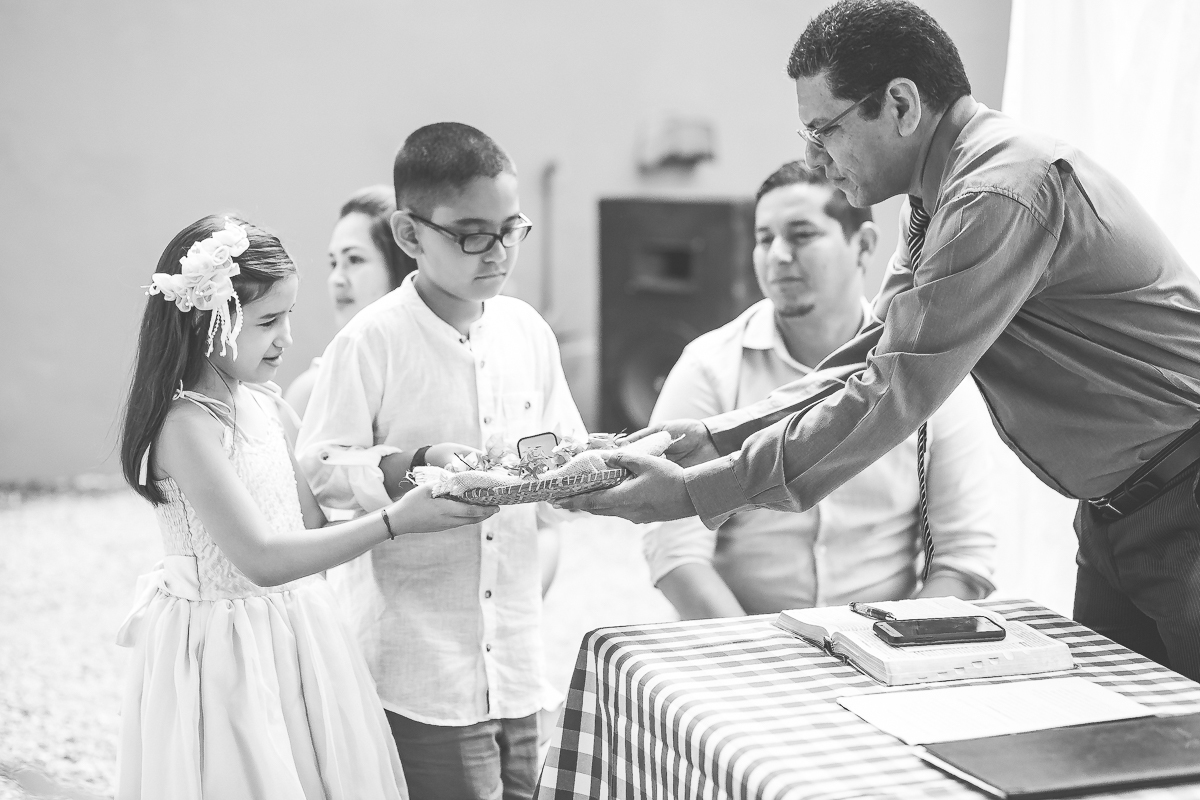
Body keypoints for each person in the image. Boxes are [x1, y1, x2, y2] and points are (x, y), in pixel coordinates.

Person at [561, 0, 1200, 682]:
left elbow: (894, 389)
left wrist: (698, 492)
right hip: (1119, 513)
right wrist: (714, 439)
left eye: (824, 131)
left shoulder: (996, 192)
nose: (814, 160)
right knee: (1122, 730)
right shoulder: (938, 197)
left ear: (901, 104)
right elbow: (874, 354)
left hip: (1183, 499)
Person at [115, 215, 496, 799]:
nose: (287, 337)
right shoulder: (185, 426)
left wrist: (424, 475)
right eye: (268, 321)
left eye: (288, 315)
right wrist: (396, 522)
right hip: (227, 650)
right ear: (204, 320)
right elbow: (262, 559)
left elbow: (313, 526)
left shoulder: (268, 408)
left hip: (301, 633)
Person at [296, 122, 586, 800]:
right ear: (409, 234)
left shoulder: (527, 331)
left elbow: (560, 448)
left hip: (518, 662)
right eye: (472, 234)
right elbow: (320, 467)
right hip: (419, 669)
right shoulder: (371, 341)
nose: (498, 252)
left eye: (511, 229)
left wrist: (577, 476)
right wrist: (416, 464)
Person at [643, 160, 996, 619]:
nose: (777, 256)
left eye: (801, 235)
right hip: (743, 642)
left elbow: (964, 559)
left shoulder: (928, 369)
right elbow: (675, 553)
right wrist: (762, 652)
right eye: (764, 238)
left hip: (887, 641)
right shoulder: (708, 368)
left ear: (863, 245)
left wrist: (886, 644)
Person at [284, 185, 416, 417]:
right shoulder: (313, 391)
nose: (337, 279)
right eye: (333, 263)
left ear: (401, 263)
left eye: (354, 259)